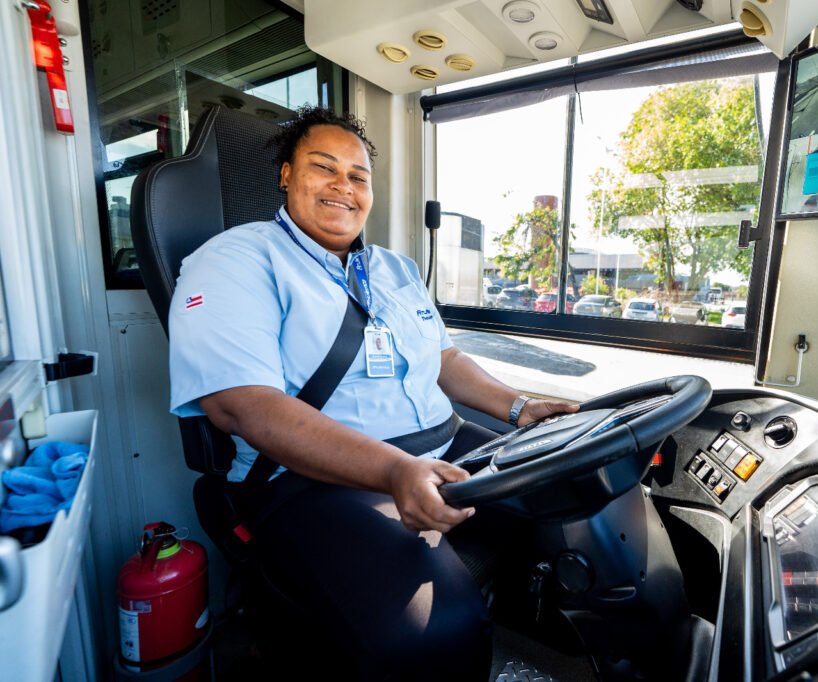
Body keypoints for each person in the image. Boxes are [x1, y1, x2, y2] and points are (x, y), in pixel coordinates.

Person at [167, 105, 577, 679]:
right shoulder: (235, 259)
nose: (344, 186)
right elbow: (243, 405)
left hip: (447, 446)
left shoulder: (395, 269)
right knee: (435, 626)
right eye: (323, 168)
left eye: (358, 176)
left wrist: (519, 407)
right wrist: (393, 471)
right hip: (314, 480)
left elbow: (445, 360)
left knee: (580, 498)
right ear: (286, 175)